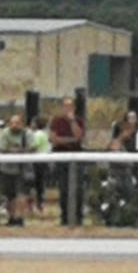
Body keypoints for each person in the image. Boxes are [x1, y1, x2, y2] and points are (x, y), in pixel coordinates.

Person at [48, 96, 85, 224]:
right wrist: (71, 140)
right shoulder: (56, 121)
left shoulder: (79, 121)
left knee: (78, 188)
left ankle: (78, 217)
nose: (68, 109)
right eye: (65, 106)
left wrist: (72, 122)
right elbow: (54, 139)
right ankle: (65, 217)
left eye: (70, 106)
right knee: (64, 188)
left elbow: (79, 137)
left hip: (77, 156)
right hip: (61, 156)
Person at [0, 111, 34, 226]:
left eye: (17, 123)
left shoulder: (28, 134)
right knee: (9, 195)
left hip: (23, 169)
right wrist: (14, 150)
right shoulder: (4, 133)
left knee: (21, 194)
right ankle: (11, 218)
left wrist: (18, 150)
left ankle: (19, 218)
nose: (15, 125)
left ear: (22, 124)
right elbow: (1, 148)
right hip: (7, 169)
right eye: (12, 123)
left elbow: (32, 148)